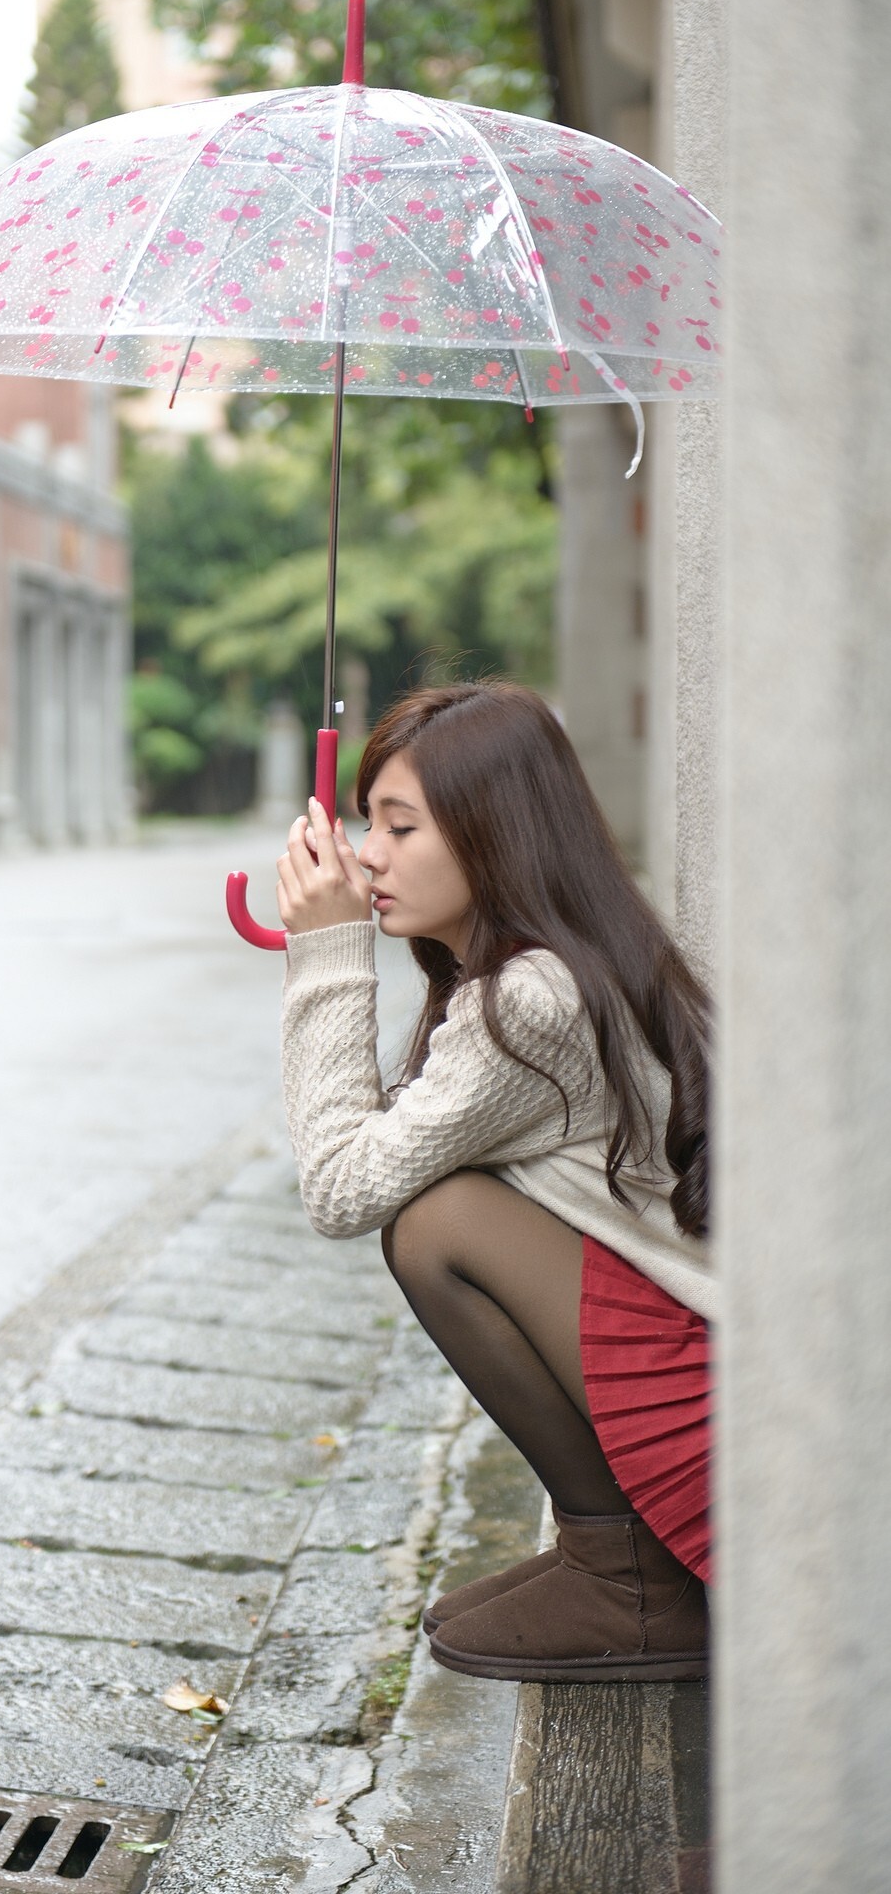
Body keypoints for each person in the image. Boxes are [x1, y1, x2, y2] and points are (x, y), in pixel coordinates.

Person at [275, 683, 712, 1684]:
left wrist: (328, 950)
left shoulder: (532, 996)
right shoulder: (540, 967)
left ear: (491, 833)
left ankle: (629, 1574)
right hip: (701, 1357)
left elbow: (340, 1185)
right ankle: (605, 1554)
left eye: (400, 825)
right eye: (364, 821)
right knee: (438, 1210)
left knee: (435, 1222)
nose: (364, 853)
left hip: (706, 1407)